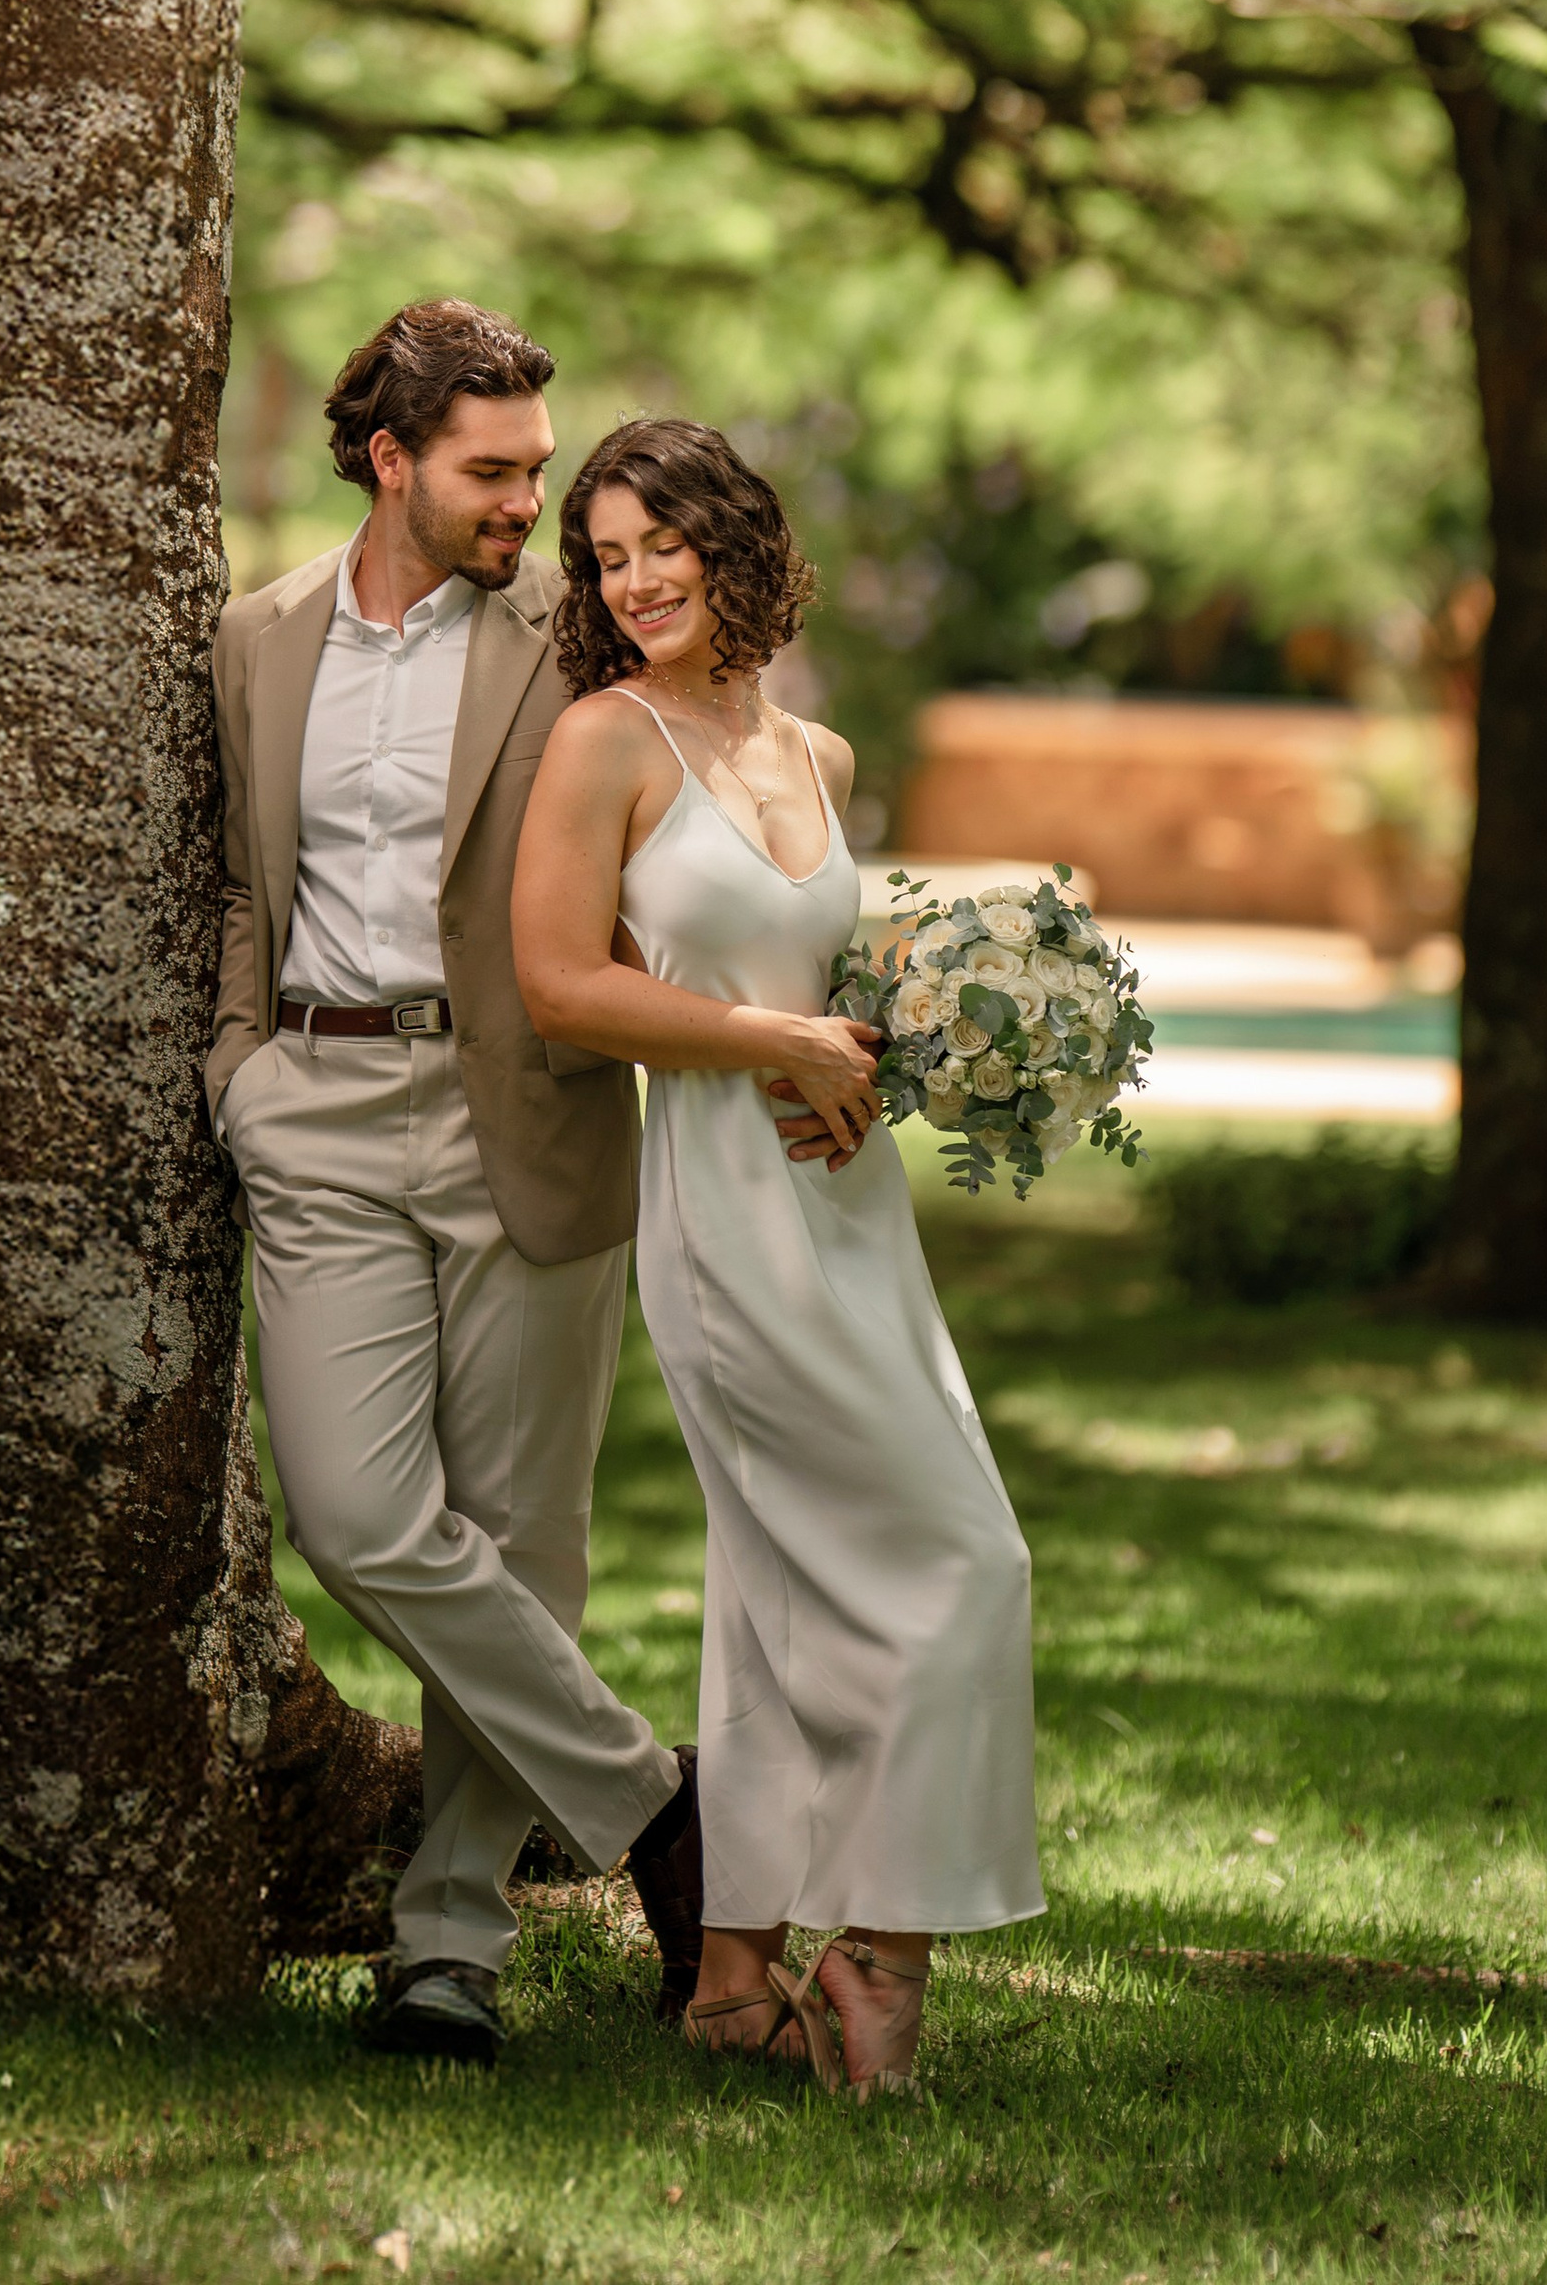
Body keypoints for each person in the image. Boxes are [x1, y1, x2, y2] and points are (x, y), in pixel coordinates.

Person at [511, 416, 1042, 2102]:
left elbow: (844, 1003)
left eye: (661, 540)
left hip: (848, 1205)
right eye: (606, 555)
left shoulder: (822, 754)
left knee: (776, 1583)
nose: (636, 577)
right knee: (968, 1562)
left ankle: (735, 1970)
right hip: (726, 1213)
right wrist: (770, 1043)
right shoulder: (607, 739)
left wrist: (875, 1069)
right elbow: (562, 987)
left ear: (738, 542)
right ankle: (880, 1948)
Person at [210, 301, 703, 2066]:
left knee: (520, 1541)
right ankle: (662, 1811)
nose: (528, 505)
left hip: (533, 1115)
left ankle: (448, 1951)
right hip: (318, 1105)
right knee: (356, 1518)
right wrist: (241, 1067)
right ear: (388, 460)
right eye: (493, 473)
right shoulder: (255, 639)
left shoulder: (578, 658)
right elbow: (229, 874)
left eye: (537, 473)